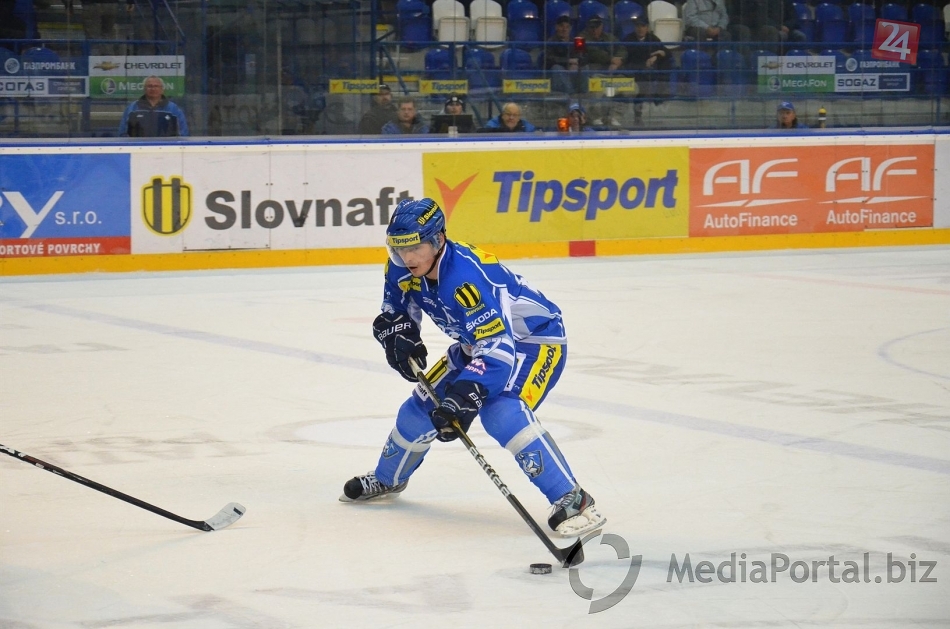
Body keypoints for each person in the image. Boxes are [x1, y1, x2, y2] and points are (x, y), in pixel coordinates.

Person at [340, 197, 607, 540]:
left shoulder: (465, 278)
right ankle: (388, 479)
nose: (408, 258)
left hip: (532, 342)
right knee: (418, 411)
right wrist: (397, 333)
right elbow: (396, 309)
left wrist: (467, 394)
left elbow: (498, 347)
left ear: (438, 240)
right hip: (475, 343)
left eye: (416, 247)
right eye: (400, 248)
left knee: (500, 411)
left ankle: (574, 500)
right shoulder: (401, 267)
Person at [622, 16, 672, 124]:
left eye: (643, 26)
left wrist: (656, 56)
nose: (640, 28)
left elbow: (666, 52)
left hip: (647, 70)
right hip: (633, 69)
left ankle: (658, 96)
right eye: (638, 26)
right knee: (642, 80)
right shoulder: (628, 39)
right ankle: (639, 112)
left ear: (647, 28)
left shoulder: (653, 39)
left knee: (659, 69)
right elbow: (624, 55)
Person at [578, 16, 626, 127]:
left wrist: (619, 60)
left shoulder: (609, 37)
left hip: (613, 72)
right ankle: (596, 117)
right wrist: (611, 59)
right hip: (595, 72)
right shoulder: (582, 37)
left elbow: (622, 49)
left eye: (597, 27)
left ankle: (614, 117)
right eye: (592, 27)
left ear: (601, 27)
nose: (594, 30)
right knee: (596, 90)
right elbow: (593, 51)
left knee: (631, 88)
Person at [118, 76, 189, 137]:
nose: (153, 89)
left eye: (156, 86)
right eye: (149, 86)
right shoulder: (132, 108)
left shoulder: (173, 109)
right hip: (139, 147)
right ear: (144, 89)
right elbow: (123, 133)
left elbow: (183, 133)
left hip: (166, 147)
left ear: (162, 89)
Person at [541, 15, 588, 95]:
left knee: (585, 67)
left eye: (567, 27)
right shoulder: (551, 41)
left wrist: (576, 63)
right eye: (561, 26)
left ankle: (583, 94)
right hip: (560, 70)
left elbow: (585, 57)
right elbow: (549, 59)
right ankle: (570, 94)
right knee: (556, 68)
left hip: (574, 68)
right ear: (556, 27)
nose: (564, 29)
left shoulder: (577, 41)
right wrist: (568, 62)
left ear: (571, 28)